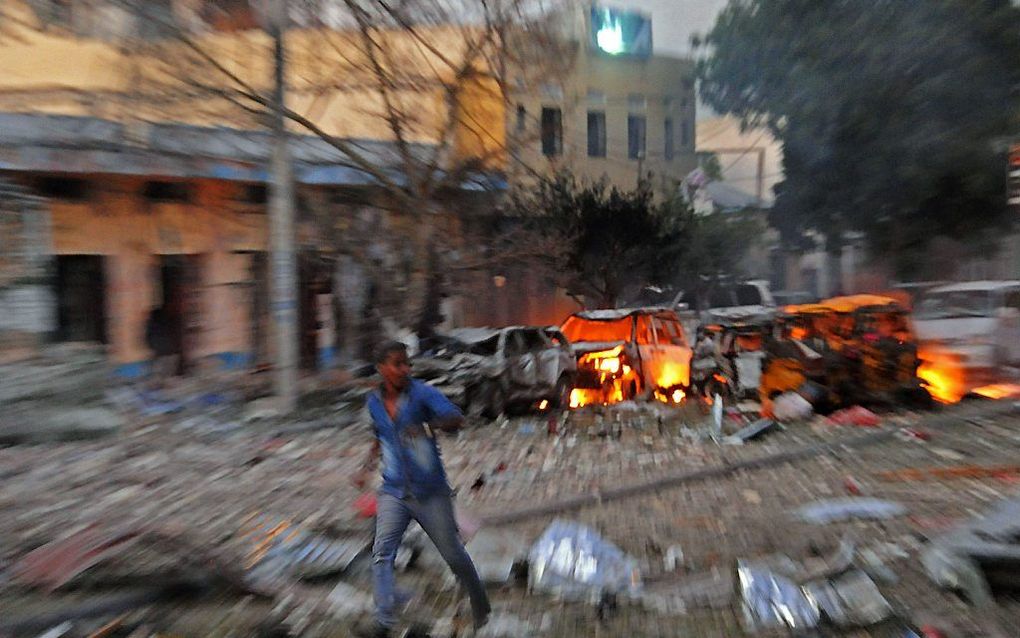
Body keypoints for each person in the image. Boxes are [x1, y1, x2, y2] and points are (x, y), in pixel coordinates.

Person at [353, 341, 490, 637]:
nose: (405, 369)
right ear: (382, 369)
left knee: (452, 554)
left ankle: (480, 603)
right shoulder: (374, 402)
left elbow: (457, 419)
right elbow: (380, 437)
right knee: (382, 553)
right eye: (398, 364)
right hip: (393, 490)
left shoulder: (422, 393)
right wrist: (365, 468)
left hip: (430, 492)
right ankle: (384, 621)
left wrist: (427, 428)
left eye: (407, 364)